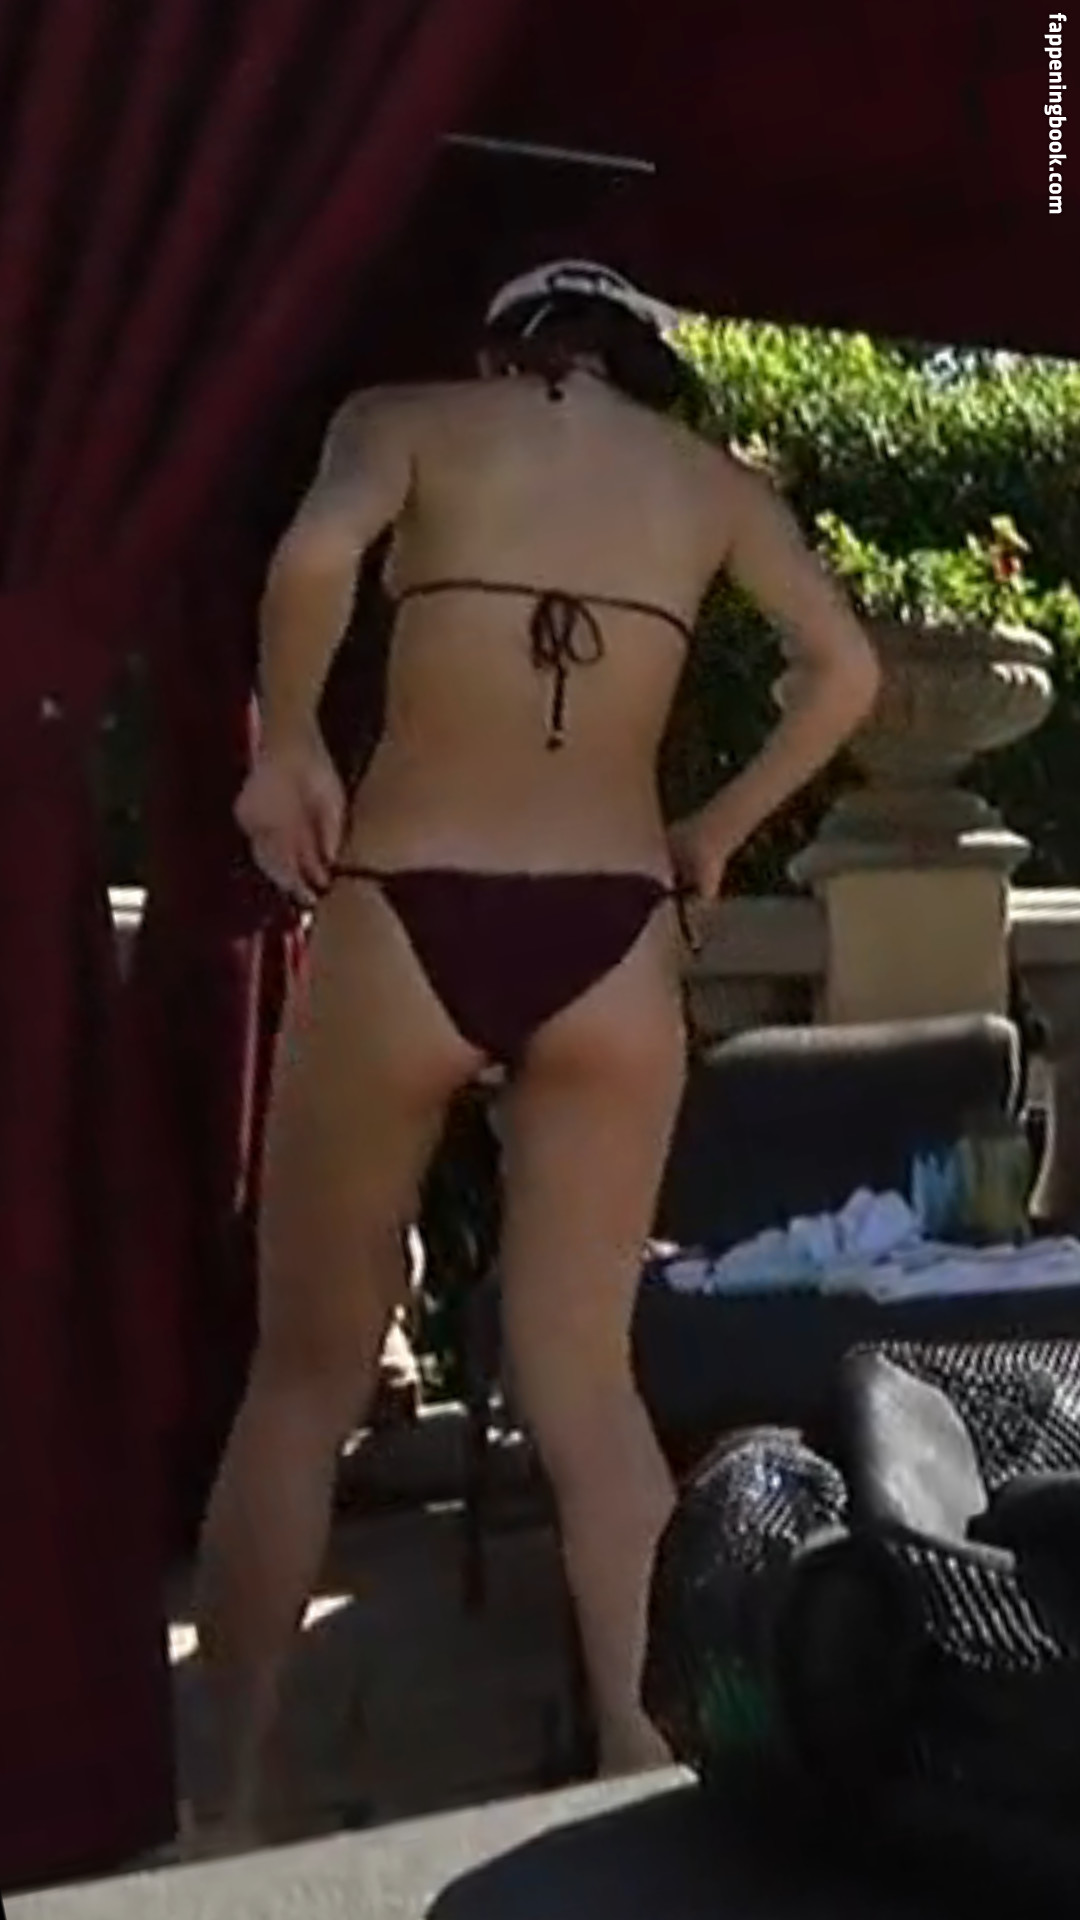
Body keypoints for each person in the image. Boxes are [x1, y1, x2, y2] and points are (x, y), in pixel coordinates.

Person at [189, 260, 880, 1840]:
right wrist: (716, 828)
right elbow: (848, 674)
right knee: (591, 1397)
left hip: (410, 903)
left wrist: (288, 744)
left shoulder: (408, 419)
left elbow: (316, 549)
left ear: (508, 348)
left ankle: (219, 1815)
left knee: (300, 1384)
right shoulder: (708, 487)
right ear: (646, 364)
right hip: (613, 930)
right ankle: (654, 1812)